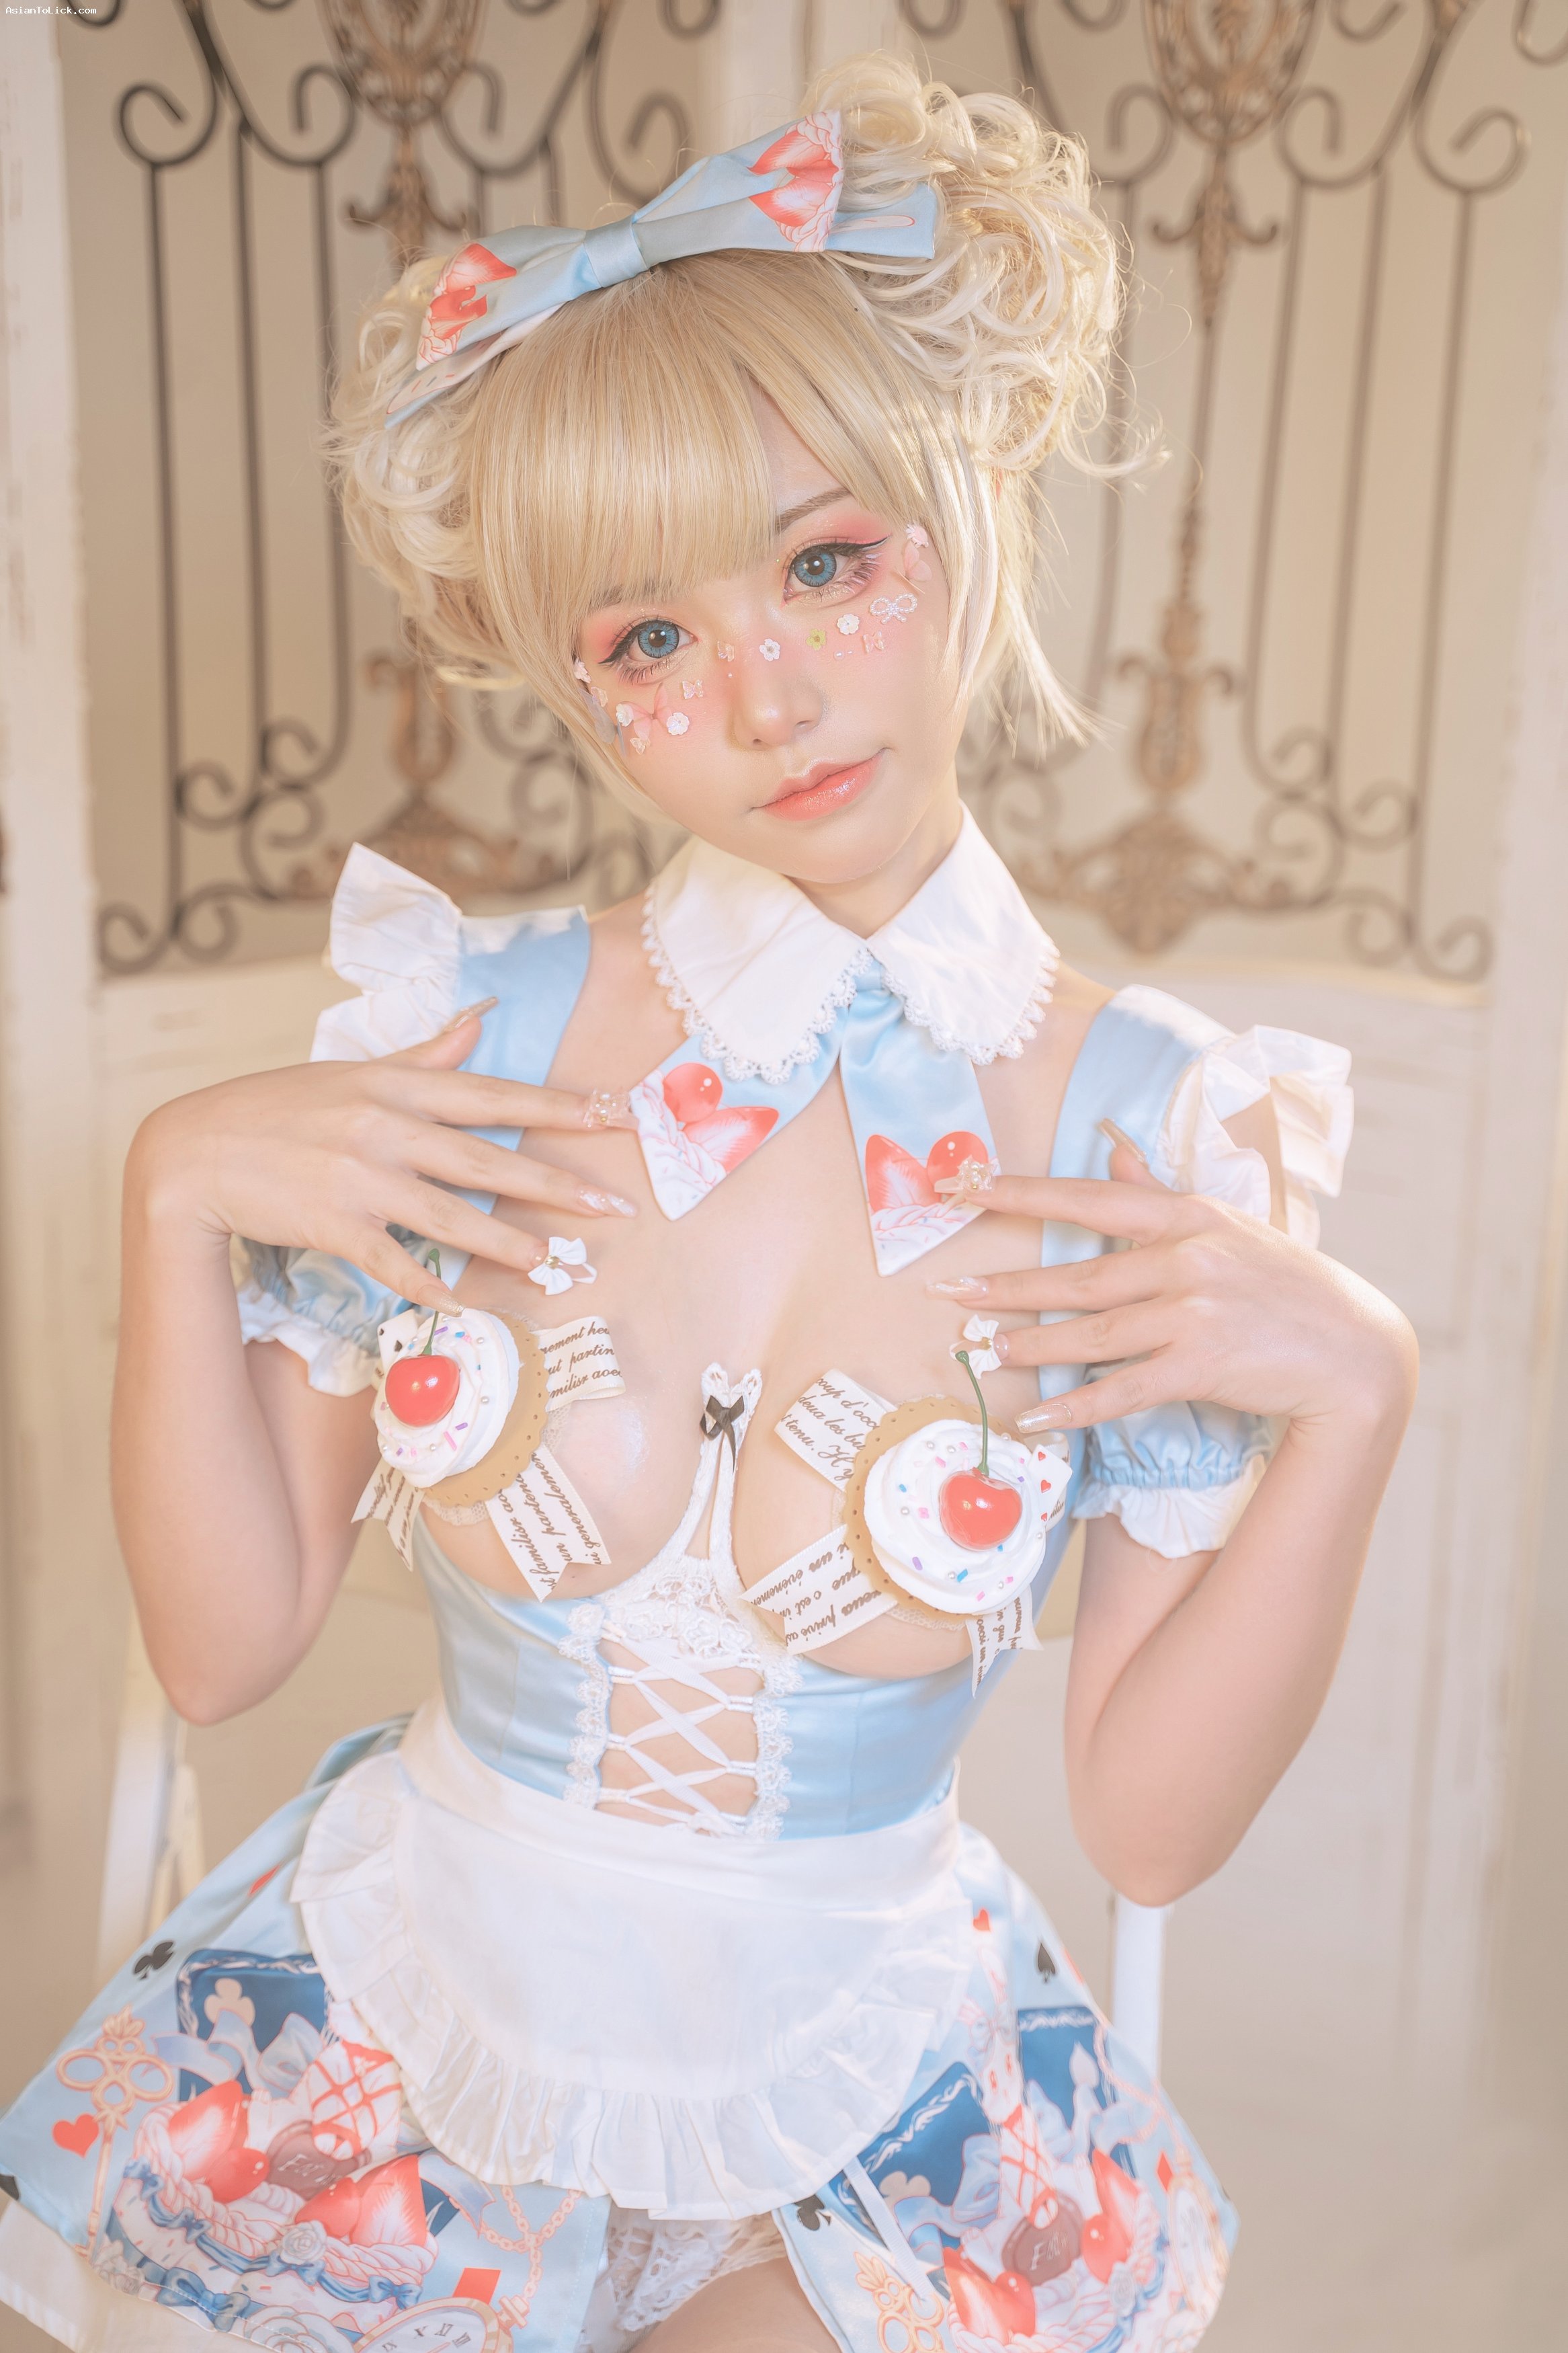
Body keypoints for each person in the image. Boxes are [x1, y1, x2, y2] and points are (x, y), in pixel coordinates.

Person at [0, 54, 1413, 2353]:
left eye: (826, 563)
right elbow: (225, 1646)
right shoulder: (469, 1029)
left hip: (863, 2104)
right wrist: (174, 1199)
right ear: (580, 691)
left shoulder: (1150, 1134)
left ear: (964, 510)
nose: (769, 693)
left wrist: (1359, 1398)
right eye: (648, 639)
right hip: (397, 2034)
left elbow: (1146, 1828)